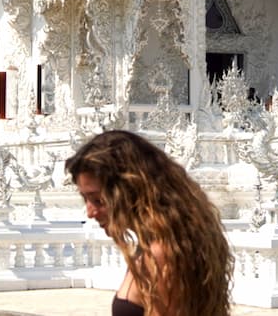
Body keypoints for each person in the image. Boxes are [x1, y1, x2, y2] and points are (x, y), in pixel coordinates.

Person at [67, 130, 232, 316]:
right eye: (85, 199)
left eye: (98, 200)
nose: (90, 213)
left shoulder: (161, 254)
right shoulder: (159, 244)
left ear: (131, 190)